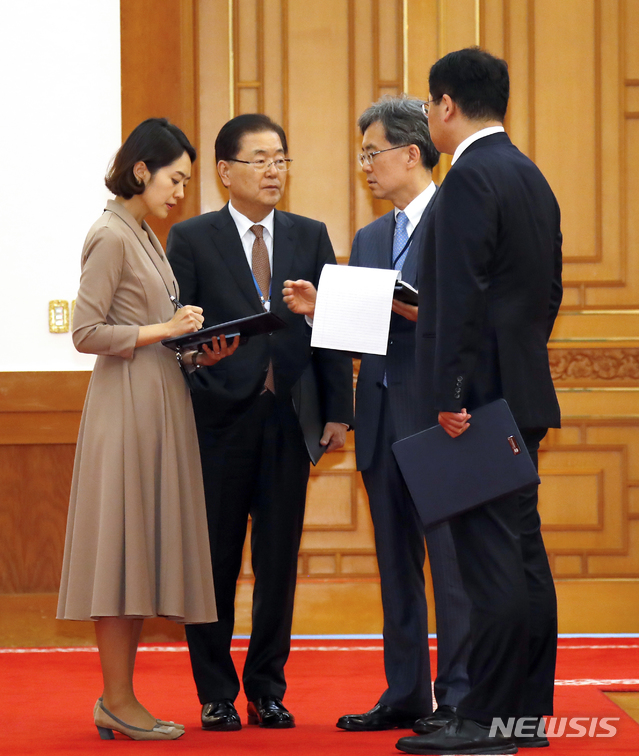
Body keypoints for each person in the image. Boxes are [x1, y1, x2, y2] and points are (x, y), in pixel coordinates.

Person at [285, 96, 471, 732]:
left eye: (372, 153)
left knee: (450, 564)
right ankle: (406, 693)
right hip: (383, 412)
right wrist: (320, 309)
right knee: (396, 565)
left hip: (442, 416)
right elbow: (362, 329)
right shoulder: (369, 237)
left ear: (411, 153)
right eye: (362, 154)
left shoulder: (458, 216)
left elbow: (478, 318)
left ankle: (458, 698)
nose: (364, 165)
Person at [395, 47, 562, 755]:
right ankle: (525, 715)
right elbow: (542, 293)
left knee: (489, 561)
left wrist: (453, 397)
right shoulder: (529, 175)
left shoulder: (468, 177)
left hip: (478, 402)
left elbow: (458, 298)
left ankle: (485, 722)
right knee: (521, 556)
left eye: (429, 106)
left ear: (444, 105)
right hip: (520, 392)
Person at [166, 113, 354, 731]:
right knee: (214, 562)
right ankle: (216, 692)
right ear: (225, 171)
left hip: (289, 420)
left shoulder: (309, 233)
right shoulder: (192, 238)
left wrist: (337, 413)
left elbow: (328, 331)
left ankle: (267, 688)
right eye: (260, 160)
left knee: (278, 563)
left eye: (282, 159)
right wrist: (203, 363)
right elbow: (181, 335)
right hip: (218, 421)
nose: (274, 170)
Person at [57, 118, 238, 742]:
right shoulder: (110, 234)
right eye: (176, 178)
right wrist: (167, 331)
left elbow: (155, 328)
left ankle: (121, 699)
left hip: (159, 397)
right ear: (142, 170)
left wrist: (195, 350)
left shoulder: (144, 234)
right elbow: (85, 333)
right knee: (120, 553)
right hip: (126, 407)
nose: (181, 192)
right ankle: (115, 699)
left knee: (137, 554)